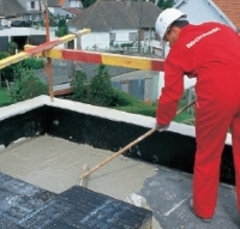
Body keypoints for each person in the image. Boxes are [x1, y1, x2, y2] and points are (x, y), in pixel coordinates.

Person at [155, 7, 240, 222]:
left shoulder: (177, 52)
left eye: (167, 40)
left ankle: (203, 210)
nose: (169, 45)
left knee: (208, 154)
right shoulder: (217, 27)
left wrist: (163, 121)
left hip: (217, 95)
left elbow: (171, 93)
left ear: (173, 31)